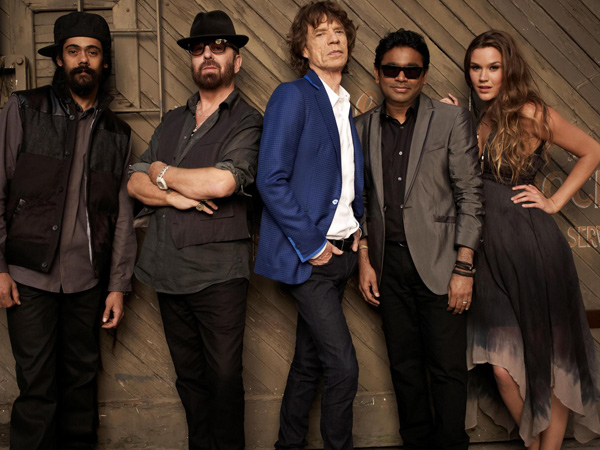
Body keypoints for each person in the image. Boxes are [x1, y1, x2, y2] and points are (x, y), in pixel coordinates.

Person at [442, 30, 600, 449]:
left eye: (493, 67)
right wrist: (453, 122)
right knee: (500, 365)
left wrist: (554, 201)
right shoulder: (477, 117)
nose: (483, 76)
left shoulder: (530, 112)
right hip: (487, 255)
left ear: (509, 69)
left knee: (552, 357)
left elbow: (592, 150)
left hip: (533, 248)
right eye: (475, 67)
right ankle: (536, 444)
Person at [127, 10, 262, 450]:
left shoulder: (248, 120)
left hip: (219, 272)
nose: (207, 55)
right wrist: (172, 197)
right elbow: (132, 182)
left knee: (223, 378)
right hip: (166, 269)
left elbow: (222, 182)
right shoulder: (172, 119)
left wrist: (161, 172)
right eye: (199, 48)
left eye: (219, 47)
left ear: (236, 61)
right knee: (189, 378)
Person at [0, 11, 136, 450]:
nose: (83, 60)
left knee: (80, 390)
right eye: (73, 51)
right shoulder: (24, 109)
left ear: (104, 62)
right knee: (37, 391)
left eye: (92, 52)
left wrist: (117, 286)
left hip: (86, 281)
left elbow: (121, 218)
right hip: (28, 276)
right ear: (59, 59)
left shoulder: (118, 134)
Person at [355, 29, 484, 450]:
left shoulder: (450, 120)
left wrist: (464, 267)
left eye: (411, 71)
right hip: (388, 266)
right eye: (392, 69)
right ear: (378, 73)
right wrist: (365, 258)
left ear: (424, 75)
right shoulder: (361, 128)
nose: (401, 77)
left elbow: (470, 196)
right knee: (405, 368)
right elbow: (362, 199)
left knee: (447, 369)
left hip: (442, 263)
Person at [254, 1, 363, 448]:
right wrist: (312, 244)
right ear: (303, 48)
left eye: (339, 32)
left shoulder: (345, 106)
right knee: (343, 368)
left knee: (309, 362)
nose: (334, 39)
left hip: (344, 254)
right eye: (321, 33)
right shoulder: (293, 96)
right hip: (312, 258)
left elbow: (344, 180)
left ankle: (288, 444)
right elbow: (269, 178)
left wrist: (356, 227)